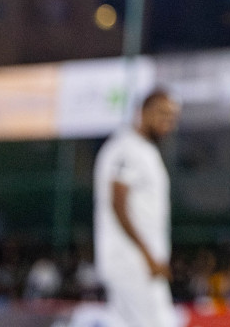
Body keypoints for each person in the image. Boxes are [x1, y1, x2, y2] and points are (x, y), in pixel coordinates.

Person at [94, 89, 180, 327]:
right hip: (132, 263)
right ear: (143, 112)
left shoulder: (144, 149)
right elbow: (117, 203)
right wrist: (148, 255)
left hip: (137, 262)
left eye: (173, 117)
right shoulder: (127, 147)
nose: (169, 122)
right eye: (163, 113)